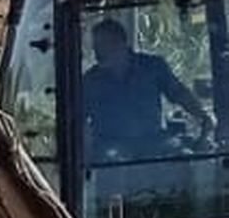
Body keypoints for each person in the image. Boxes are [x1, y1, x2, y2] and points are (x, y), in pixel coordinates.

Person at [83, 16, 211, 162]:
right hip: (111, 146)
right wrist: (86, 157)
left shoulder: (153, 67)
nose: (97, 53)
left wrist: (203, 116)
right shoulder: (91, 81)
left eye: (103, 45)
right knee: (112, 159)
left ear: (121, 43)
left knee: (183, 155)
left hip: (153, 141)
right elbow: (80, 121)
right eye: (96, 47)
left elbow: (178, 93)